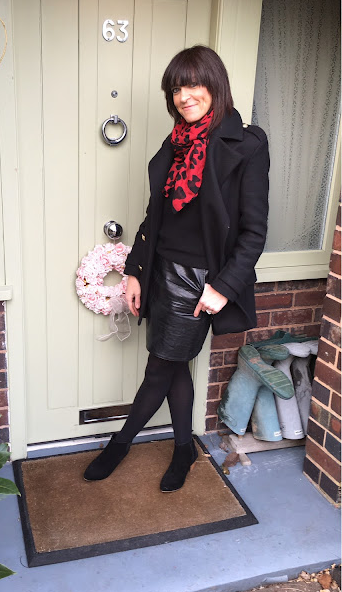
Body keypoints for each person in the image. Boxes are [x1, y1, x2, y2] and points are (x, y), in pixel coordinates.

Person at [83, 45, 270, 492]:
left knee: (158, 369)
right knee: (174, 366)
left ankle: (120, 443)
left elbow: (254, 232)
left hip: (200, 280)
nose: (184, 96)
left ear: (215, 84)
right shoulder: (178, 141)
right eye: (176, 89)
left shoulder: (246, 144)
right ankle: (184, 447)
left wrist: (222, 287)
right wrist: (134, 271)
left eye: (193, 84)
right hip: (161, 270)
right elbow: (155, 215)